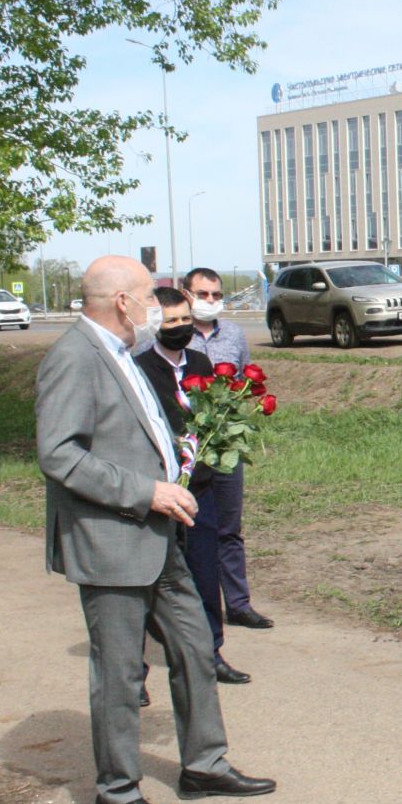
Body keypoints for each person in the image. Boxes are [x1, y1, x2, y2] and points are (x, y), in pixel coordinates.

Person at [35, 255, 274, 804]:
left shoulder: (120, 354)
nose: (162, 308)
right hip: (112, 540)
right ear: (122, 301)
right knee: (119, 673)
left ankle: (203, 765)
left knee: (194, 646)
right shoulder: (73, 357)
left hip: (159, 534)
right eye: (149, 295)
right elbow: (59, 454)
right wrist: (147, 491)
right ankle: (117, 795)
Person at [138, 286, 250, 688]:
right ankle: (136, 674)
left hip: (198, 490)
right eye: (171, 322)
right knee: (148, 585)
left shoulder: (201, 361)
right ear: (155, 325)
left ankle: (211, 654)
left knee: (205, 574)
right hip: (157, 494)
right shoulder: (140, 369)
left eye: (186, 319)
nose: (181, 327)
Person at [184, 266, 272, 631]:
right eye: (202, 294)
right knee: (190, 527)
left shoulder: (233, 334)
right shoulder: (172, 335)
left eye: (216, 295)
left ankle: (237, 604)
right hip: (188, 448)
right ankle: (192, 610)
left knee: (229, 527)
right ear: (186, 294)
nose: (210, 301)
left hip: (224, 445)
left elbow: (245, 382)